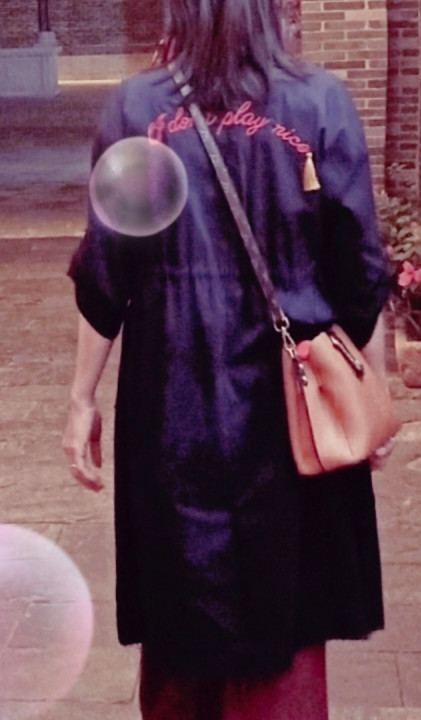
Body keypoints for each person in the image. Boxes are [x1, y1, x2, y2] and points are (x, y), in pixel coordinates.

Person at [62, 1, 392, 718]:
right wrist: (371, 394)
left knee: (180, 602)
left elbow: (106, 270)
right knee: (289, 606)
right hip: (291, 406)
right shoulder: (319, 102)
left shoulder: (137, 109)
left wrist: (82, 397)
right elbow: (360, 270)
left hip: (170, 401)